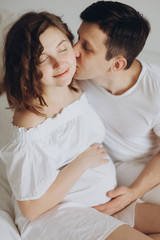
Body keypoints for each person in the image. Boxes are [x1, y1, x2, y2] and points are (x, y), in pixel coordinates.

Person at [1, 10, 160, 240]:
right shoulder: (31, 122)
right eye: (42, 58)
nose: (63, 60)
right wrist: (80, 163)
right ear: (28, 67)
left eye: (64, 47)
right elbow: (31, 208)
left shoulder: (76, 85)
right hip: (62, 211)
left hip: (100, 201)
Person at [73, 0, 160, 217]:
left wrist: (133, 192)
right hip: (110, 165)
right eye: (78, 38)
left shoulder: (155, 90)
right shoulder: (75, 72)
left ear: (117, 64)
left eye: (86, 47)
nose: (73, 50)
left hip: (147, 166)